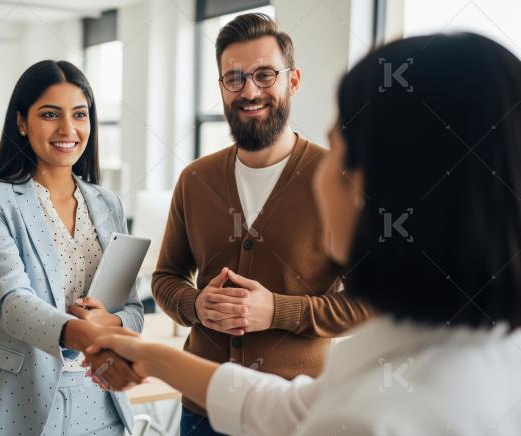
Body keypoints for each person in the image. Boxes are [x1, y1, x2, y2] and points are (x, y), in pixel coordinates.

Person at [85, 31, 521, 435]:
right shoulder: (455, 353)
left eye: (344, 148)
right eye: (234, 78)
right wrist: (153, 352)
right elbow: (282, 406)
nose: (325, 175)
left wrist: (276, 311)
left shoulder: (381, 411)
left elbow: (296, 408)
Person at [150, 13, 370, 434]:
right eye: (234, 78)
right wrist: (194, 305)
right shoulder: (194, 180)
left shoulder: (336, 177)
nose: (249, 91)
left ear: (294, 80)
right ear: (221, 88)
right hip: (203, 407)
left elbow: (368, 303)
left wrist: (279, 311)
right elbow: (166, 276)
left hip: (295, 409)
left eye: (264, 74)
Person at [0, 60, 144, 436]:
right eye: (50, 114)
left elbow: (132, 308)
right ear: (22, 122)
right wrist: (85, 334)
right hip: (22, 399)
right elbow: (12, 303)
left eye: (80, 115)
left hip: (102, 399)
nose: (68, 129)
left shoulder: (108, 204)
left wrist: (111, 322)